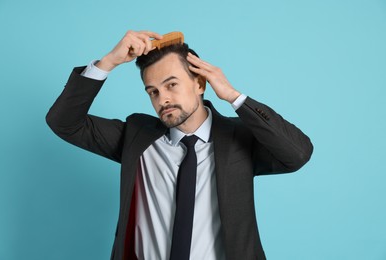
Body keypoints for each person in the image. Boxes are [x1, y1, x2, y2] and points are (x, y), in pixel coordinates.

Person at [46, 30, 313, 260]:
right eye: (153, 91)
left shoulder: (239, 138)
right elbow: (64, 122)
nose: (163, 99)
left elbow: (297, 153)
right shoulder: (136, 136)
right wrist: (108, 62)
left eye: (171, 85)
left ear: (199, 83)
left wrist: (233, 96)